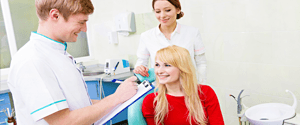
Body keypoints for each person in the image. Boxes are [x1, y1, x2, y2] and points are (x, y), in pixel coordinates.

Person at [7, 0, 138, 124]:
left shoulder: (57, 53)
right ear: (55, 15)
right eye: (81, 22)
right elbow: (63, 121)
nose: (85, 29)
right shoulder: (31, 60)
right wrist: (115, 98)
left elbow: (76, 105)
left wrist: (121, 98)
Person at [142, 45, 224, 125]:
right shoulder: (152, 101)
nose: (159, 71)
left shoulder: (205, 92)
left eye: (167, 65)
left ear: (182, 68)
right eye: (157, 65)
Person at [134, 0, 207, 84]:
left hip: (188, 88)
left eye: (168, 10)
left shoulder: (192, 32)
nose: (162, 15)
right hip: (161, 90)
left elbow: (201, 63)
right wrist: (140, 69)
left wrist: (201, 86)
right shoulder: (146, 36)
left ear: (178, 9)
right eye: (158, 11)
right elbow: (141, 63)